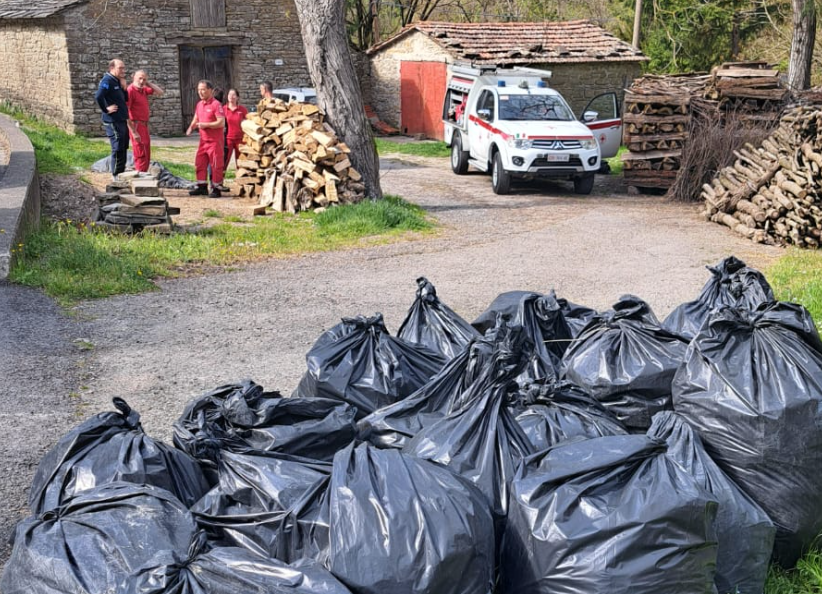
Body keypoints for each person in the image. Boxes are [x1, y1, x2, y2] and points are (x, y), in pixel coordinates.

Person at [186, 80, 226, 198]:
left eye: (203, 89)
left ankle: (216, 188)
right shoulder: (199, 104)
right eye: (199, 90)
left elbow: (221, 123)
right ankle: (202, 186)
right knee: (200, 163)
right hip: (203, 140)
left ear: (210, 90)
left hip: (215, 141)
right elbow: (196, 118)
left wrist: (206, 125)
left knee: (215, 165)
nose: (200, 92)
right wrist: (190, 128)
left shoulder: (216, 104)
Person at [94, 59, 129, 179]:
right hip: (112, 120)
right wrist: (106, 109)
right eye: (120, 68)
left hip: (122, 118)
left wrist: (124, 88)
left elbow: (125, 99)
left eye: (124, 68)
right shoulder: (107, 80)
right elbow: (99, 96)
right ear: (112, 68)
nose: (123, 70)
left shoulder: (118, 81)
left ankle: (121, 172)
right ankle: (115, 174)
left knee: (124, 146)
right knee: (117, 146)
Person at [126, 70, 164, 172]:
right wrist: (134, 132)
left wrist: (147, 83)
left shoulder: (143, 90)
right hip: (136, 124)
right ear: (133, 77)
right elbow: (125, 112)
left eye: (144, 79)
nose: (142, 81)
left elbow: (160, 92)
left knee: (146, 151)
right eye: (140, 78)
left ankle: (144, 173)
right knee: (140, 151)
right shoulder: (130, 90)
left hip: (144, 125)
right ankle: (140, 174)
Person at [223, 88, 248, 174]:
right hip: (227, 139)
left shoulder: (242, 110)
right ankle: (219, 183)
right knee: (224, 162)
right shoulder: (223, 109)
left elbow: (248, 124)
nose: (231, 97)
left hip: (240, 139)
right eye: (230, 94)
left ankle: (241, 182)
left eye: (234, 95)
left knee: (241, 163)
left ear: (237, 97)